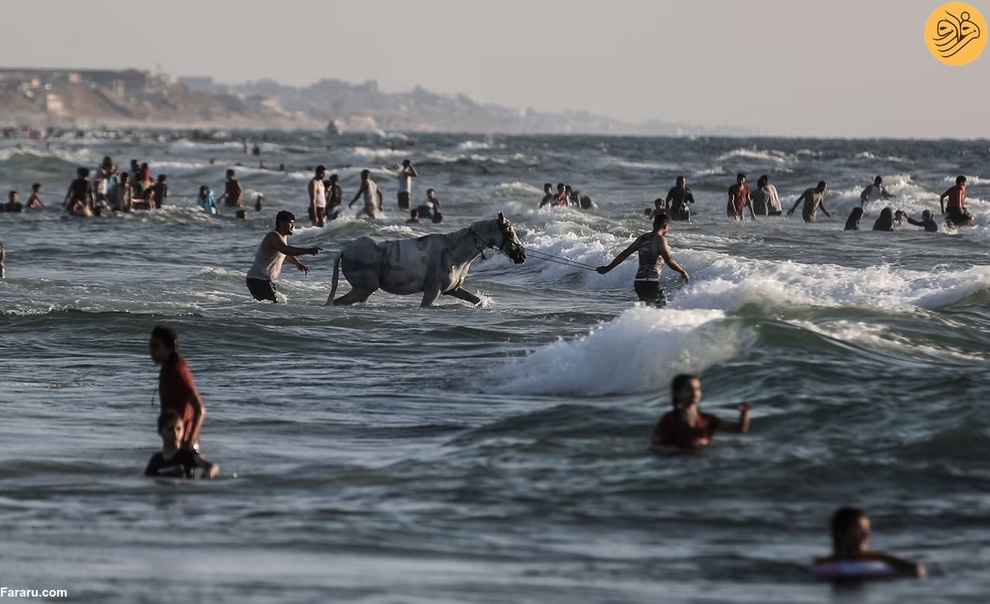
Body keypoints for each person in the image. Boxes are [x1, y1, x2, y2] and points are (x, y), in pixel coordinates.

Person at [596, 212, 690, 307]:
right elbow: (669, 260)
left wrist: (608, 268)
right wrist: (682, 271)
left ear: (654, 224)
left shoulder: (642, 238)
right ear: (665, 226)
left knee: (649, 311)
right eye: (668, 227)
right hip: (651, 282)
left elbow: (625, 253)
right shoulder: (660, 239)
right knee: (661, 310)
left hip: (639, 283)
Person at [811, 507, 926, 579]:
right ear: (841, 533)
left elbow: (916, 569)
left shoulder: (879, 558)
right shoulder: (822, 563)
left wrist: (881, 558)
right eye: (859, 530)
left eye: (867, 531)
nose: (866, 536)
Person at [650, 373, 752, 451]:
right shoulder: (670, 420)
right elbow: (655, 446)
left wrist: (744, 413)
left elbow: (739, 429)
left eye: (698, 389)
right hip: (680, 462)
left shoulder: (707, 419)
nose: (695, 393)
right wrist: (670, 450)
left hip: (704, 463)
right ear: (678, 393)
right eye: (689, 389)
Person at [149, 325, 206, 451]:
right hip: (173, 443)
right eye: (150, 346)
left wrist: (189, 443)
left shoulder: (179, 371)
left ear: (169, 347)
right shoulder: (167, 369)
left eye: (156, 346)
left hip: (184, 444)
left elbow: (199, 409)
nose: (151, 351)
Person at [245, 210, 322, 302]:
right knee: (272, 308)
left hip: (264, 281)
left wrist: (298, 264)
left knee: (272, 307)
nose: (293, 226)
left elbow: (285, 254)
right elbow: (286, 249)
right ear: (281, 223)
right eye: (290, 223)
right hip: (257, 280)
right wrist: (308, 250)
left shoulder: (282, 237)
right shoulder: (273, 236)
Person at [144, 410, 219, 479]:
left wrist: (206, 475)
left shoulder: (188, 455)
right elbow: (147, 480)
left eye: (179, 429)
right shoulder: (156, 460)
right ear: (160, 432)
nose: (175, 433)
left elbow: (213, 467)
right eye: (170, 429)